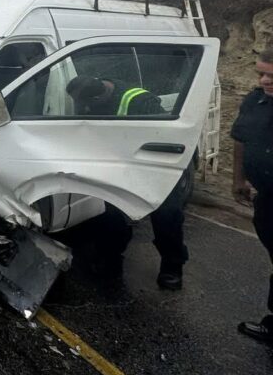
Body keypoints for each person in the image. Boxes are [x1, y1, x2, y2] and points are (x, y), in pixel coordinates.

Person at [66, 75, 189, 290]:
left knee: (166, 217)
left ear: (98, 97)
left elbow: (164, 135)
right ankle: (111, 259)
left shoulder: (141, 101)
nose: (83, 108)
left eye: (86, 104)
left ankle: (172, 268)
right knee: (109, 214)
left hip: (153, 167)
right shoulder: (91, 96)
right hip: (118, 168)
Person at [231, 49, 273, 344]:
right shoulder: (255, 100)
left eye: (271, 75)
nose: (263, 80)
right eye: (261, 74)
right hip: (267, 196)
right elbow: (240, 139)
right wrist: (238, 178)